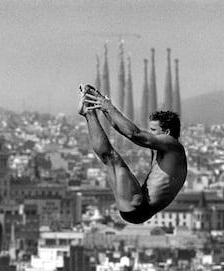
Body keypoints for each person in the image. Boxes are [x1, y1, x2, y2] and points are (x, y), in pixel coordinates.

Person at [78, 84, 187, 224]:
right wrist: (99, 103)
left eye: (154, 130)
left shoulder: (173, 146)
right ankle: (89, 113)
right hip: (136, 206)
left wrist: (109, 108)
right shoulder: (164, 149)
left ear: (167, 133)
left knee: (113, 159)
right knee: (109, 158)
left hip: (139, 206)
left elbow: (134, 134)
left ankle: (88, 113)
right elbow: (119, 127)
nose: (151, 133)